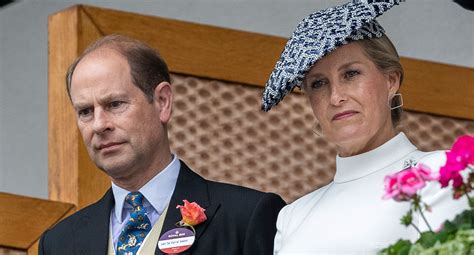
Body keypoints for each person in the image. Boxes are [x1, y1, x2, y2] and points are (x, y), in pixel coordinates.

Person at [39, 35, 285, 255]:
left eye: (115, 104)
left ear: (162, 102)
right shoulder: (58, 243)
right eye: (85, 111)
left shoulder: (247, 216)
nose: (99, 125)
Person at [261, 0, 470, 253]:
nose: (336, 97)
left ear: (391, 81)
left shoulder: (444, 172)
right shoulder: (292, 216)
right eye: (318, 83)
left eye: (350, 74)